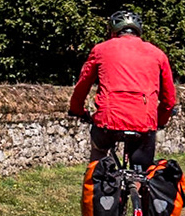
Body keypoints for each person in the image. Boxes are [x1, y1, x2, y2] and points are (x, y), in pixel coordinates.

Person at [68, 9, 177, 171]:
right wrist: (160, 121)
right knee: (141, 171)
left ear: (113, 31)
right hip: (144, 124)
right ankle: (138, 190)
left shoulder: (100, 50)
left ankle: (97, 182)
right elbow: (169, 100)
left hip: (107, 122)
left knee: (99, 153)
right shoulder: (158, 54)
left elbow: (82, 86)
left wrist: (77, 110)